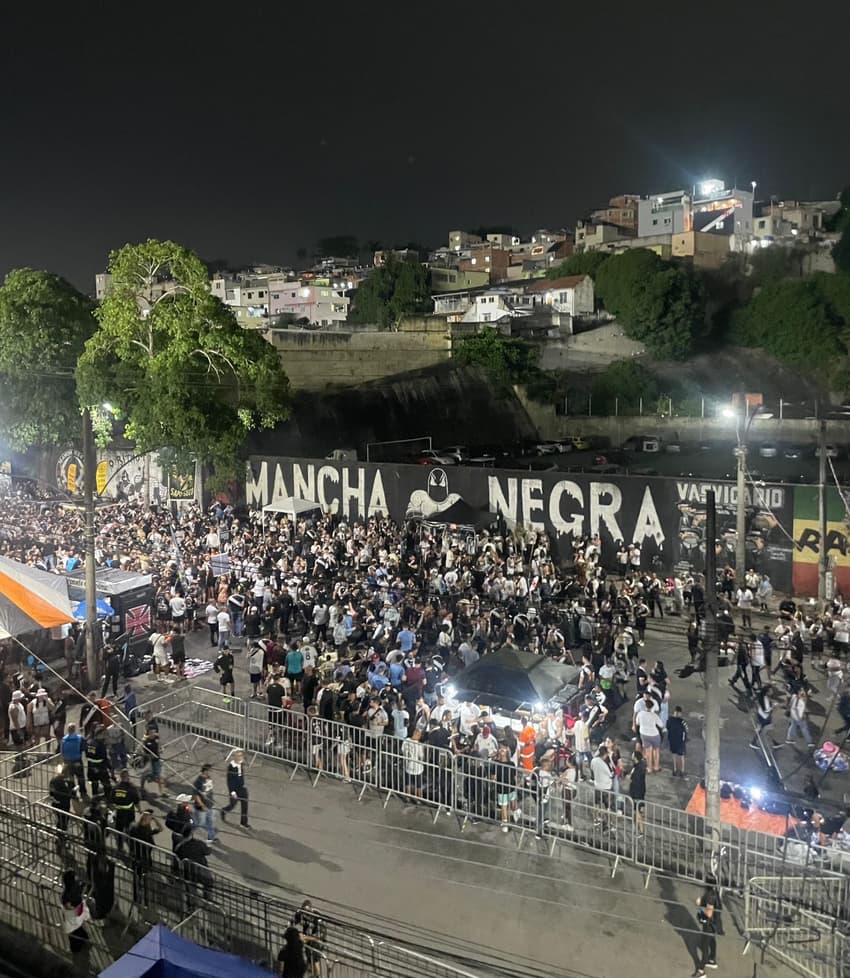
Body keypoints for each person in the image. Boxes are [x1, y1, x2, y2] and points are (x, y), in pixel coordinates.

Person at [128, 809, 163, 901]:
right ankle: (142, 897)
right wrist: (154, 820)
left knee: (138, 877)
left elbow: (160, 829)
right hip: (141, 857)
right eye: (149, 819)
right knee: (142, 877)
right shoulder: (144, 830)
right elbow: (160, 829)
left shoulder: (135, 826)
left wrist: (154, 819)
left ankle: (138, 895)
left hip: (140, 856)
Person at [291, 900, 326, 978]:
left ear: (310, 909)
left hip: (318, 939)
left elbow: (319, 936)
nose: (305, 914)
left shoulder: (317, 917)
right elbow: (293, 921)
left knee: (315, 957)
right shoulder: (301, 913)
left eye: (307, 912)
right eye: (304, 912)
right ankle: (309, 973)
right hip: (307, 936)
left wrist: (305, 937)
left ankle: (318, 975)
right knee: (308, 955)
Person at [60, 870, 90, 956]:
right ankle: (84, 939)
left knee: (74, 931)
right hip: (77, 910)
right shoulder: (76, 886)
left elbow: (67, 905)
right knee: (78, 928)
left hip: (72, 914)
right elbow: (82, 886)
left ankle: (76, 948)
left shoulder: (66, 893)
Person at [112, 768, 141, 851]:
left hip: (119, 812)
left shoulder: (116, 787)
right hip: (129, 813)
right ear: (127, 777)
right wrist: (140, 810)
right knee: (130, 829)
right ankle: (132, 848)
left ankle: (119, 846)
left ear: (121, 777)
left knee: (119, 830)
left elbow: (112, 799)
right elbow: (136, 801)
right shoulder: (131, 788)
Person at [221, 749, 251, 828]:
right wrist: (233, 792)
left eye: (241, 755)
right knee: (232, 805)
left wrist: (243, 784)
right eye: (238, 756)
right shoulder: (231, 767)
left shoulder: (240, 764)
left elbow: (241, 775)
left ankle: (243, 822)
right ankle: (224, 811)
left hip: (242, 788)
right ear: (234, 757)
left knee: (245, 806)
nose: (241, 757)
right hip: (235, 790)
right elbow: (230, 781)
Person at [49, 763, 78, 833]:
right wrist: (74, 790)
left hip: (55, 802)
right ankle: (61, 833)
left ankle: (60, 832)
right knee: (64, 820)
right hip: (64, 804)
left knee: (60, 818)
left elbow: (51, 791)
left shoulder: (54, 779)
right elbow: (68, 794)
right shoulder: (67, 781)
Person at [61, 722, 88, 798]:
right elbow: (84, 748)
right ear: (75, 729)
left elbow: (62, 751)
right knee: (80, 777)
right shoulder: (79, 738)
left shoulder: (64, 739)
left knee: (70, 778)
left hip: (67, 762)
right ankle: (82, 791)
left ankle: (73, 793)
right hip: (77, 760)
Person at [692, 899, 718, 976]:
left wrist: (700, 907)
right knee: (712, 940)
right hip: (713, 926)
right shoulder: (716, 897)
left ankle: (701, 970)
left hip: (708, 927)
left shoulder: (710, 898)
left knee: (705, 947)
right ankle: (712, 959)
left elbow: (707, 917)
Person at [193, 763, 217, 842]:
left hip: (209, 805)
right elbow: (196, 796)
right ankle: (188, 832)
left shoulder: (209, 778)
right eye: (210, 770)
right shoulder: (198, 781)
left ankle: (211, 837)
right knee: (199, 823)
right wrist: (202, 805)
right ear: (205, 771)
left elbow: (210, 790)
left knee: (210, 822)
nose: (212, 772)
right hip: (201, 807)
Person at [628, 749, 647, 836]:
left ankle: (640, 831)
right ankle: (639, 829)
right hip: (640, 792)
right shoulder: (640, 766)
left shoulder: (637, 769)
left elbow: (635, 781)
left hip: (637, 794)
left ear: (635, 758)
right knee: (639, 811)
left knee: (637, 812)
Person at [667, 706, 689, 777]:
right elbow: (686, 730)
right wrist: (685, 739)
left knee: (674, 755)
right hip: (680, 741)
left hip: (672, 741)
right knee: (681, 756)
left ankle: (675, 770)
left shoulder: (669, 720)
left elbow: (667, 727)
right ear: (680, 713)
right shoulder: (682, 721)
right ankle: (682, 771)